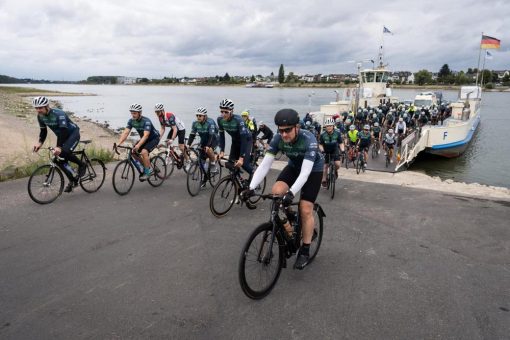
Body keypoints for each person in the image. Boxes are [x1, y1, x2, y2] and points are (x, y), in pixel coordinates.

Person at [243, 108, 324, 270]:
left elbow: (306, 173)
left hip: (313, 169)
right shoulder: (277, 139)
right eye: (281, 131)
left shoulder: (309, 139)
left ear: (297, 127)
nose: (284, 134)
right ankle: (288, 221)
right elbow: (265, 165)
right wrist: (250, 187)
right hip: (294, 166)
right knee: (276, 192)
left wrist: (292, 193)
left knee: (305, 208)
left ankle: (305, 249)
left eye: (288, 130)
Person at [32, 96, 87, 193]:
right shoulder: (40, 116)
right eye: (36, 108)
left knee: (63, 152)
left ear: (47, 106)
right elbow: (43, 131)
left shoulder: (59, 114)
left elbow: (64, 130)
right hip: (62, 135)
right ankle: (73, 180)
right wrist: (39, 143)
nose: (38, 110)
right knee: (59, 160)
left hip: (72, 133)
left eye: (40, 108)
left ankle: (82, 165)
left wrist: (58, 147)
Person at [116, 103, 160, 181]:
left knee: (144, 152)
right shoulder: (131, 121)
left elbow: (146, 135)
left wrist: (138, 145)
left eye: (135, 113)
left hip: (153, 139)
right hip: (144, 139)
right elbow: (126, 132)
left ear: (140, 113)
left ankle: (147, 171)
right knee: (133, 152)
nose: (133, 115)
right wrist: (119, 143)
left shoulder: (146, 121)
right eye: (132, 113)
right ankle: (146, 166)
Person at [217, 99, 253, 177]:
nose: (223, 114)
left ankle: (255, 176)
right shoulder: (220, 120)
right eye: (222, 111)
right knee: (230, 164)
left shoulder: (238, 120)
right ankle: (239, 181)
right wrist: (222, 151)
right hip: (235, 141)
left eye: (226, 112)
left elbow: (243, 139)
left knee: (244, 164)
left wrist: (241, 158)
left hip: (246, 140)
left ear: (232, 111)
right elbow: (221, 136)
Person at [188, 107, 219, 187]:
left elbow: (211, 136)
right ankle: (204, 179)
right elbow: (192, 135)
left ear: (204, 116)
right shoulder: (195, 123)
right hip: (204, 140)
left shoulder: (210, 122)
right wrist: (188, 144)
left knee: (209, 150)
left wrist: (208, 146)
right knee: (201, 162)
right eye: (197, 115)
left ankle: (213, 165)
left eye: (200, 116)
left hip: (213, 139)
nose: (198, 117)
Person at [154, 103, 189, 167]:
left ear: (162, 111)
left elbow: (175, 129)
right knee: (167, 142)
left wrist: (172, 139)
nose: (157, 114)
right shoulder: (160, 118)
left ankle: (188, 160)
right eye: (156, 112)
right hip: (174, 128)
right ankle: (171, 157)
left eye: (158, 112)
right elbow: (162, 129)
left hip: (180, 129)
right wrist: (158, 138)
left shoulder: (169, 116)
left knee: (181, 147)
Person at [319, 118, 344, 187]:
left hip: (334, 149)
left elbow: (341, 143)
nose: (329, 127)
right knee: (325, 166)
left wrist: (343, 150)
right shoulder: (322, 134)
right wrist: (322, 151)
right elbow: (320, 144)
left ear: (333, 126)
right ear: (325, 127)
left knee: (338, 164)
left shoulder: (337, 133)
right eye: (327, 126)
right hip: (326, 150)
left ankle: (335, 171)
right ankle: (324, 180)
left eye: (330, 126)